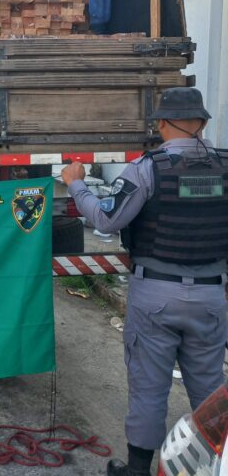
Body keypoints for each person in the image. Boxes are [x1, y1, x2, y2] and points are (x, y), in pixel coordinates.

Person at [61, 87, 228, 476]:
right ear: (202, 123)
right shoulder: (224, 168)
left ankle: (137, 472)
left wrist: (75, 183)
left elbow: (107, 219)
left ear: (162, 125)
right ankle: (213, 468)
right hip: (211, 297)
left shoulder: (147, 168)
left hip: (156, 295)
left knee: (150, 390)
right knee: (210, 393)